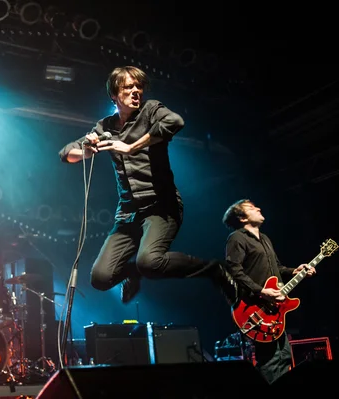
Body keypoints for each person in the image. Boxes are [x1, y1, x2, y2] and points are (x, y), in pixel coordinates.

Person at [58, 65, 238, 304]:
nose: (136, 91)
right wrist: (87, 150)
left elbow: (175, 122)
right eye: (128, 87)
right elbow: (66, 154)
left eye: (138, 86)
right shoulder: (105, 127)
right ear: (114, 94)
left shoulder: (151, 110)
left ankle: (213, 269)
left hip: (161, 207)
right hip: (127, 214)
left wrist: (131, 147)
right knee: (100, 279)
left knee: (149, 262)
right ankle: (131, 274)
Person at [222, 199, 316, 384]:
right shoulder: (237, 238)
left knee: (284, 356)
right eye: (251, 208)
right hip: (256, 308)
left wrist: (295, 271)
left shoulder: (265, 239)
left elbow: (277, 268)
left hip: (275, 309)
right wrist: (261, 291)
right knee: (270, 360)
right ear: (241, 218)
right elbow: (233, 271)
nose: (258, 208)